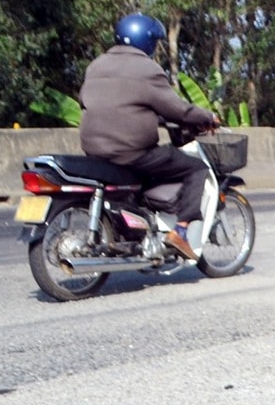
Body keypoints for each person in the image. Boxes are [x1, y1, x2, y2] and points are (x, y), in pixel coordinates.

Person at [79, 14, 219, 260]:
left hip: (94, 151)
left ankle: (138, 229)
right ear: (146, 41)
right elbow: (178, 109)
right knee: (196, 169)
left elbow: (95, 103)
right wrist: (206, 116)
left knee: (144, 176)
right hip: (132, 153)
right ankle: (181, 232)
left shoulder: (96, 65)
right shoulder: (147, 69)